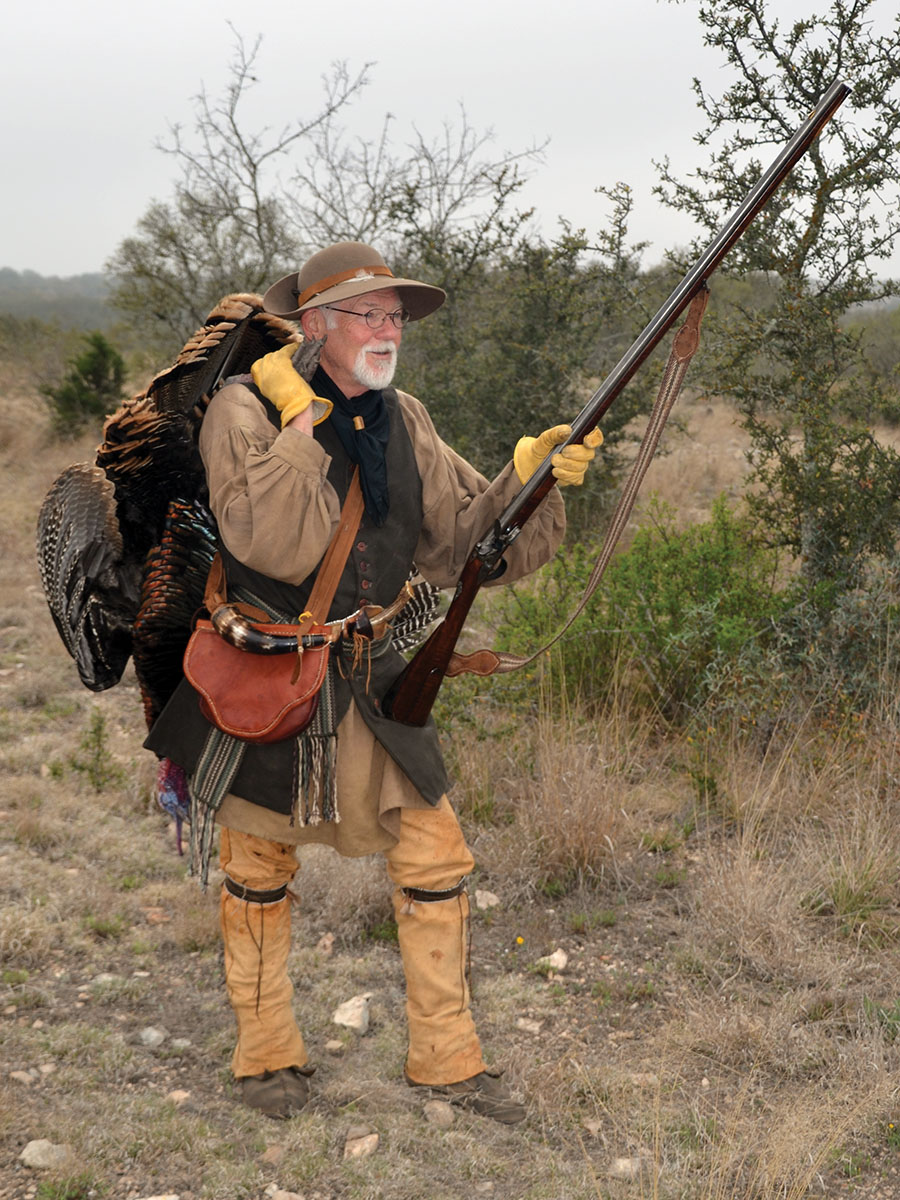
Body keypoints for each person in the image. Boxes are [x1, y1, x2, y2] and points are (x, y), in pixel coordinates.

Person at [145, 241, 601, 1123]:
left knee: (436, 855)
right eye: (369, 314)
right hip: (266, 676)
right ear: (314, 326)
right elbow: (271, 544)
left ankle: (449, 1064)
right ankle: (266, 1058)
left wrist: (532, 478)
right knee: (257, 868)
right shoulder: (242, 412)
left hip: (373, 673)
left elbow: (462, 542)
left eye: (395, 316)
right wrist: (300, 426)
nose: (389, 330)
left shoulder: (406, 417)